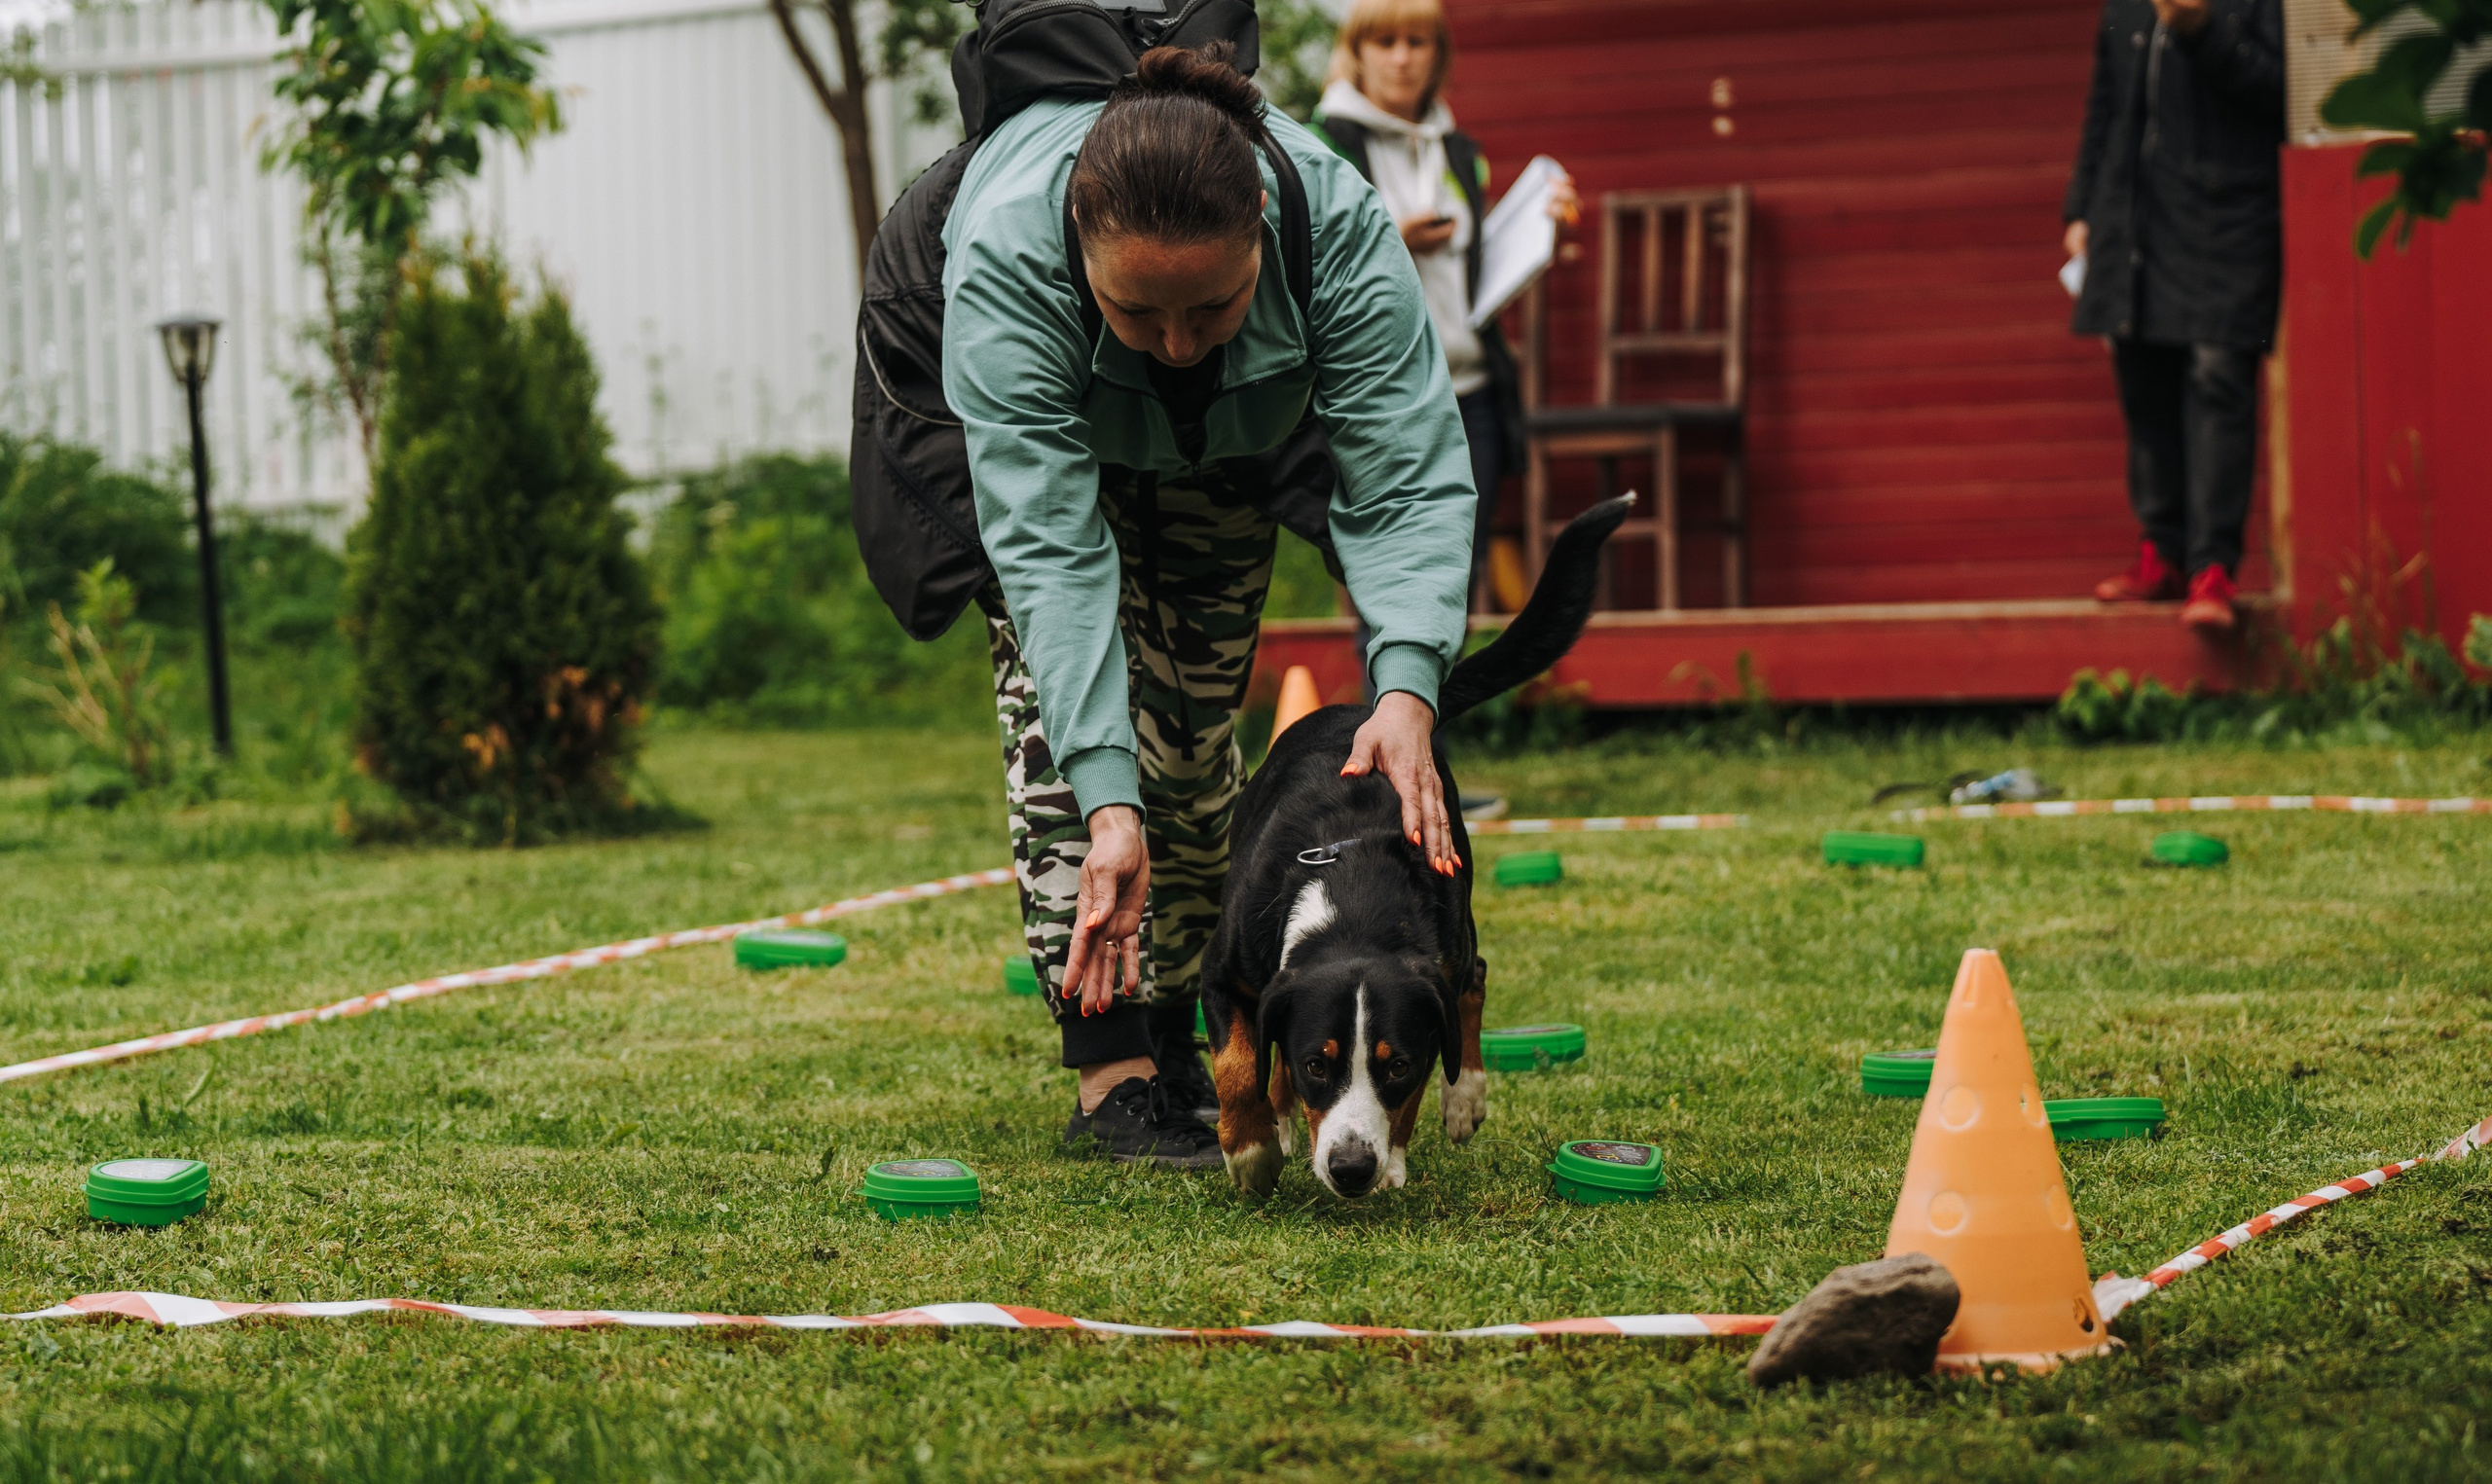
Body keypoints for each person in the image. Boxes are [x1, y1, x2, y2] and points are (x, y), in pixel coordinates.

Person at [943, 46, 1477, 1166]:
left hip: (1225, 445)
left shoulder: (1335, 228)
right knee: (1084, 763)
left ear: (1263, 246)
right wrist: (1103, 797)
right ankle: (1113, 1072)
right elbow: (1050, 550)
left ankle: (1194, 1029)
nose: (1180, 343)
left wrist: (1408, 681)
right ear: (1081, 258)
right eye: (1141, 312)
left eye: (1215, 305)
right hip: (1036, 442)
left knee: (1190, 759)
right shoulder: (1008, 261)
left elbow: (1405, 472)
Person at [1311, 0, 1575, 606]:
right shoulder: (1320, 144)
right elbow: (1298, 263)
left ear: (1439, 56)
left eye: (1417, 42)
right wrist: (1391, 239)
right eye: (1385, 43)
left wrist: (1539, 225)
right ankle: (1380, 706)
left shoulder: (1459, 151)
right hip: (1379, 394)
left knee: (1457, 582)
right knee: (1384, 586)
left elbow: (1475, 272)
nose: (1402, 59)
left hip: (1472, 390)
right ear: (1355, 53)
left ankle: (1438, 705)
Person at [2064, 0, 2283, 632]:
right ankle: (2161, 553)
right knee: (2142, 372)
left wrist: (2203, 33)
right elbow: (2104, 108)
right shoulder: (2127, 7)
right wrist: (2081, 208)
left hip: (2227, 217)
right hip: (2134, 219)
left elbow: (2281, 93)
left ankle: (2211, 567)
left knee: (2218, 376)